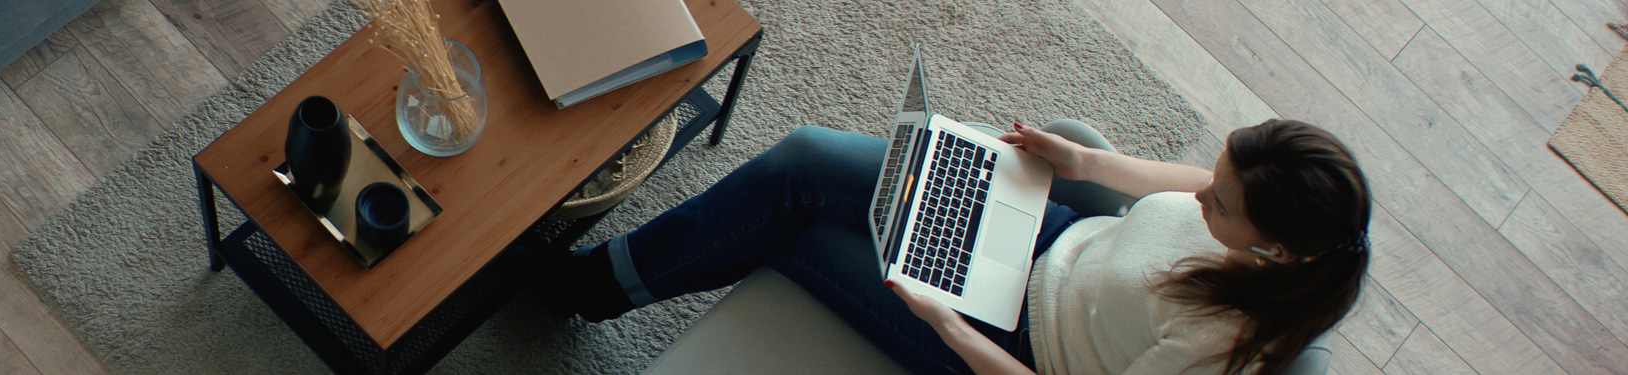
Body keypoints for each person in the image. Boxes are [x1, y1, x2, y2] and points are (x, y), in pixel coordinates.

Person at [528, 119, 1372, 375]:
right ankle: (604, 278)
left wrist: (947, 325)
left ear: (1277, 254)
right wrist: (1077, 161)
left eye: (1219, 205)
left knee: (808, 229)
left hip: (1006, 343)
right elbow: (1177, 178)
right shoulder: (1244, 198)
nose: (1198, 195)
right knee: (806, 160)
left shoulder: (1226, 347)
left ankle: (582, 290)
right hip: (1046, 239)